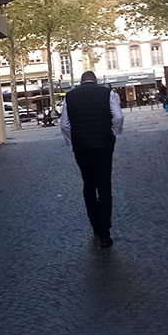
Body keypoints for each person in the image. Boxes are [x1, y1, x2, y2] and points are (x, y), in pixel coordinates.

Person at [60, 71, 124, 248]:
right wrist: (113, 133)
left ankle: (95, 224)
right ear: (95, 80)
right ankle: (105, 233)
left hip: (82, 148)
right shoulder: (107, 93)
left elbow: (64, 125)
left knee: (88, 184)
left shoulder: (70, 97)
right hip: (103, 145)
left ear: (81, 82)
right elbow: (118, 117)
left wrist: (74, 140)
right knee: (104, 186)